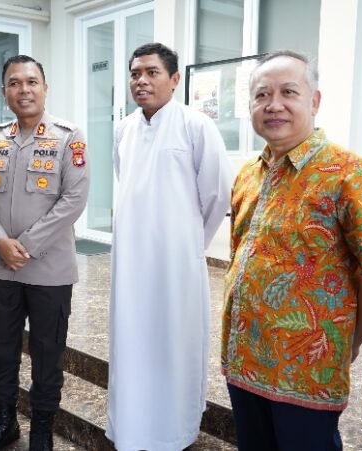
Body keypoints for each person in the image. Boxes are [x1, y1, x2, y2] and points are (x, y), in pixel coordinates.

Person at [221, 50, 362, 451]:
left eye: (288, 92)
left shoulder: (350, 174)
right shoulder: (248, 174)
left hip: (307, 373)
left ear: (314, 101)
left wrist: (349, 340)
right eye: (262, 95)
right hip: (244, 362)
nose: (274, 105)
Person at [106, 42, 233, 451]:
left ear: (175, 79)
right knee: (131, 341)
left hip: (177, 261)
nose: (141, 81)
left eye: (152, 72)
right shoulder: (123, 129)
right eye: (135, 74)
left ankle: (174, 432)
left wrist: (187, 243)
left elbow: (216, 194)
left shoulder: (196, 125)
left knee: (174, 343)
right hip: (130, 260)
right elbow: (126, 180)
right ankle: (131, 429)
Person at [0, 54, 89, 451]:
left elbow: (74, 199)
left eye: (31, 81)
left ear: (45, 87)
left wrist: (27, 245)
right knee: (0, 351)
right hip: (2, 269)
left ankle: (41, 430)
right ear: (5, 91)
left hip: (49, 271)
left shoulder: (68, 136)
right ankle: (4, 423)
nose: (24, 89)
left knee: (47, 354)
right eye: (15, 83)